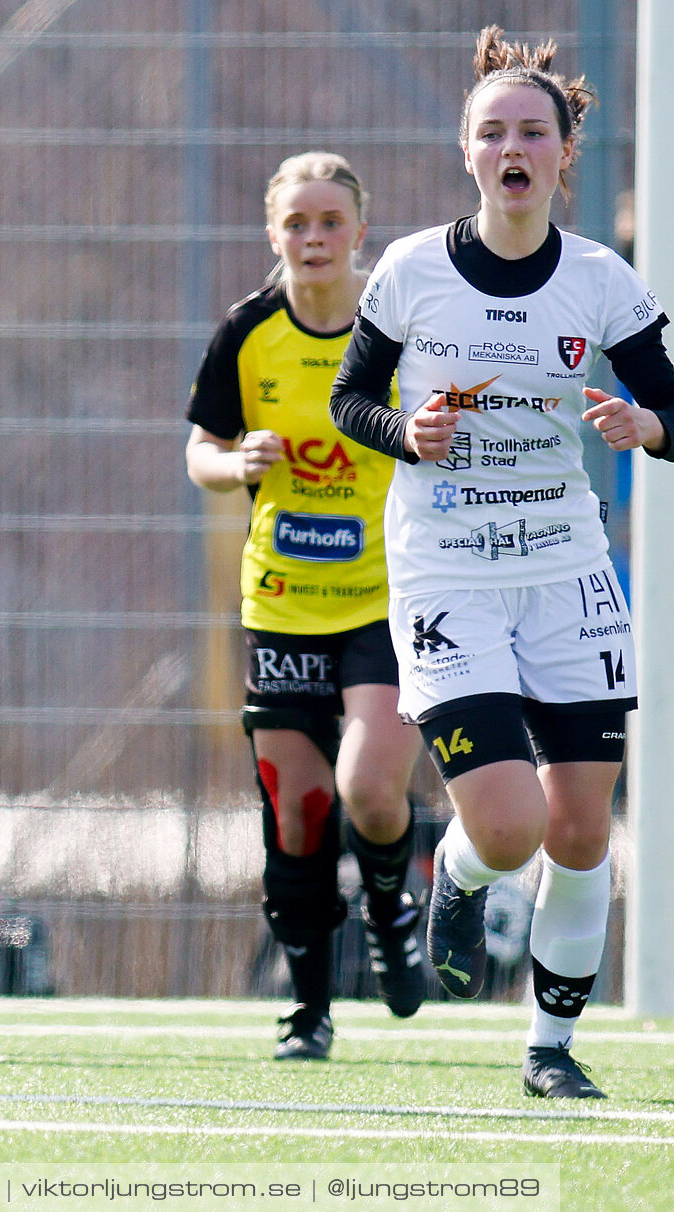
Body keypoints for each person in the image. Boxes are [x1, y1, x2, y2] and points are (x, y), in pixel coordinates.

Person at [329, 27, 674, 1098]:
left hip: (565, 568)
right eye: (492, 130)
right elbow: (349, 401)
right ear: (467, 151)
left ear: (562, 151)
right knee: (508, 824)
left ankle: (549, 1049)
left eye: (532, 129)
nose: (512, 146)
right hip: (448, 569)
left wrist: (645, 426)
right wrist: (410, 435)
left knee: (583, 831)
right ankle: (456, 875)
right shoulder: (409, 272)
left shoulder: (599, 281)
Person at [185, 152, 428, 1061]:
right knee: (298, 813)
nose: (315, 239)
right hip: (282, 606)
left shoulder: (401, 325)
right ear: (272, 232)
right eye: (298, 224)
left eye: (332, 223)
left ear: (360, 232)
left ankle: (392, 907)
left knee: (370, 788)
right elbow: (201, 450)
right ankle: (309, 1011)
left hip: (386, 598)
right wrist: (233, 460)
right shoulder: (247, 334)